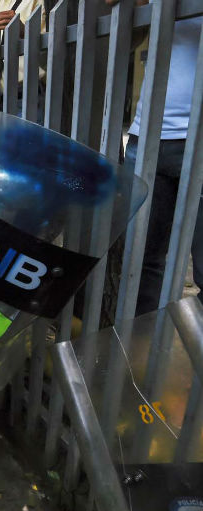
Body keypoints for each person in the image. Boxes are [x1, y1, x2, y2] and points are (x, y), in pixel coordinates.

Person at [121, 10, 202, 314]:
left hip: (196, 136)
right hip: (148, 134)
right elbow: (122, 39)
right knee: (140, 259)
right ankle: (141, 350)